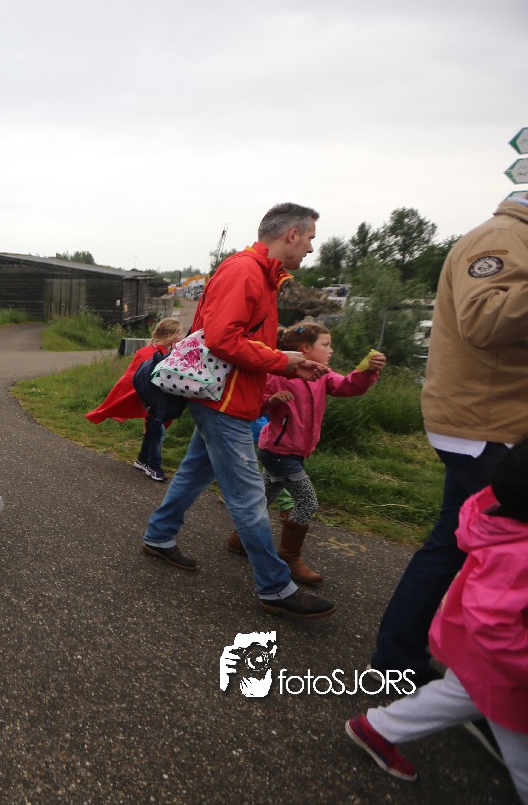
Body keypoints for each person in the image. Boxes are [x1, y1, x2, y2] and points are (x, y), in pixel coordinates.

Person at [141, 203, 337, 619]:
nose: (310, 248)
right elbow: (221, 339)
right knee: (248, 497)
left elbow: (245, 340)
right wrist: (282, 362)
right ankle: (275, 586)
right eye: (310, 239)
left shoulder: (261, 275)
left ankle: (159, 536)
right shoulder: (246, 271)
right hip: (224, 402)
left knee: (194, 473)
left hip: (229, 398)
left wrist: (286, 361)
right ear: (291, 235)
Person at [371, 195, 528, 681]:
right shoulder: (503, 237)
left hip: (487, 421)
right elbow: (484, 320)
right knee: (508, 545)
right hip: (486, 424)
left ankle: (400, 655)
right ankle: (490, 678)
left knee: (452, 541)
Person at [345, 439, 528, 798]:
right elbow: (494, 624)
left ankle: (377, 727)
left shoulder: (500, 526)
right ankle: (379, 724)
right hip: (504, 668)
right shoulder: (517, 554)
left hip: (481, 656)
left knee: (456, 696)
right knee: (518, 744)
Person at [226, 321, 384, 585]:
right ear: (305, 349)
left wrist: (366, 371)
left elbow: (346, 386)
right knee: (307, 502)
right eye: (326, 344)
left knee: (264, 496)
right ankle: (289, 556)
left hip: (292, 450)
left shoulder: (322, 374)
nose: (331, 350)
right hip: (278, 451)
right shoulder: (279, 374)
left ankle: (239, 539)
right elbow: (253, 405)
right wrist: (271, 401)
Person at [85, 317, 184, 482]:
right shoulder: (148, 353)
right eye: (180, 333)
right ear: (170, 336)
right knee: (157, 432)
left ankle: (142, 460)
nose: (182, 336)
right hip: (152, 402)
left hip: (157, 402)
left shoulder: (168, 353)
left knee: (153, 430)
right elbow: (131, 379)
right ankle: (153, 466)